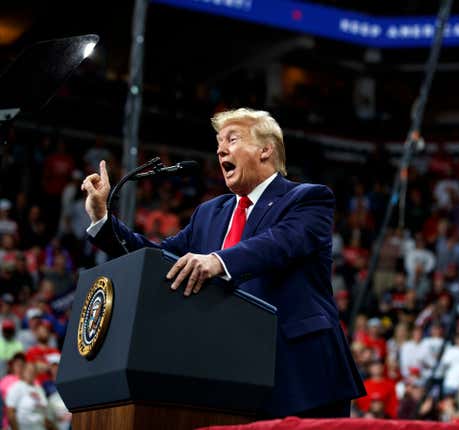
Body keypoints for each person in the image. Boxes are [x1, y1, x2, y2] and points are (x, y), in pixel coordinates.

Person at [80, 108, 365, 417]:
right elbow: (157, 260)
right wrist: (103, 220)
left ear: (265, 149)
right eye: (218, 143)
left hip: (302, 374)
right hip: (231, 375)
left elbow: (279, 243)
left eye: (232, 139)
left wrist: (217, 261)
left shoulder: (308, 198)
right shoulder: (208, 214)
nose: (220, 150)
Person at [5, 361, 54, 430]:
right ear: (23, 372)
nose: (31, 373)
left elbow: (44, 410)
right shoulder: (16, 387)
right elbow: (10, 413)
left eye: (33, 371)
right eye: (28, 370)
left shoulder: (39, 388)